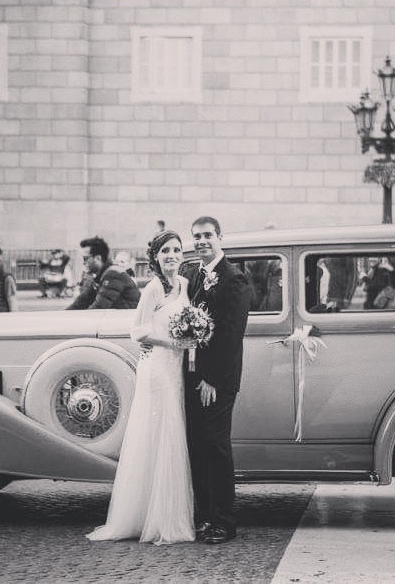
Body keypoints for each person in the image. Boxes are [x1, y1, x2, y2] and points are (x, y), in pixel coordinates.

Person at [87, 230, 195, 544]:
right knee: (159, 433)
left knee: (174, 433)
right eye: (166, 252)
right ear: (156, 258)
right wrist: (175, 341)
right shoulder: (152, 288)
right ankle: (153, 517)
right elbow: (138, 332)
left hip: (176, 368)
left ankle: (170, 510)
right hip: (158, 368)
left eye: (176, 250)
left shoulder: (185, 285)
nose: (172, 256)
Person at [183, 216, 252, 544]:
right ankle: (204, 516)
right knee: (197, 446)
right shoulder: (193, 274)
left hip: (217, 379)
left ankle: (224, 520)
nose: (201, 241)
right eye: (196, 236)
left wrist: (211, 379)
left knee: (216, 445)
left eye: (207, 235)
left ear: (220, 237)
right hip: (192, 374)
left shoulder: (234, 278)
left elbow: (231, 334)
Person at [67, 237, 139, 310]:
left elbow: (99, 308)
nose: (83, 262)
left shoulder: (113, 274)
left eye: (85, 258)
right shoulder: (100, 275)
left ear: (98, 258)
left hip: (128, 318)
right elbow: (82, 301)